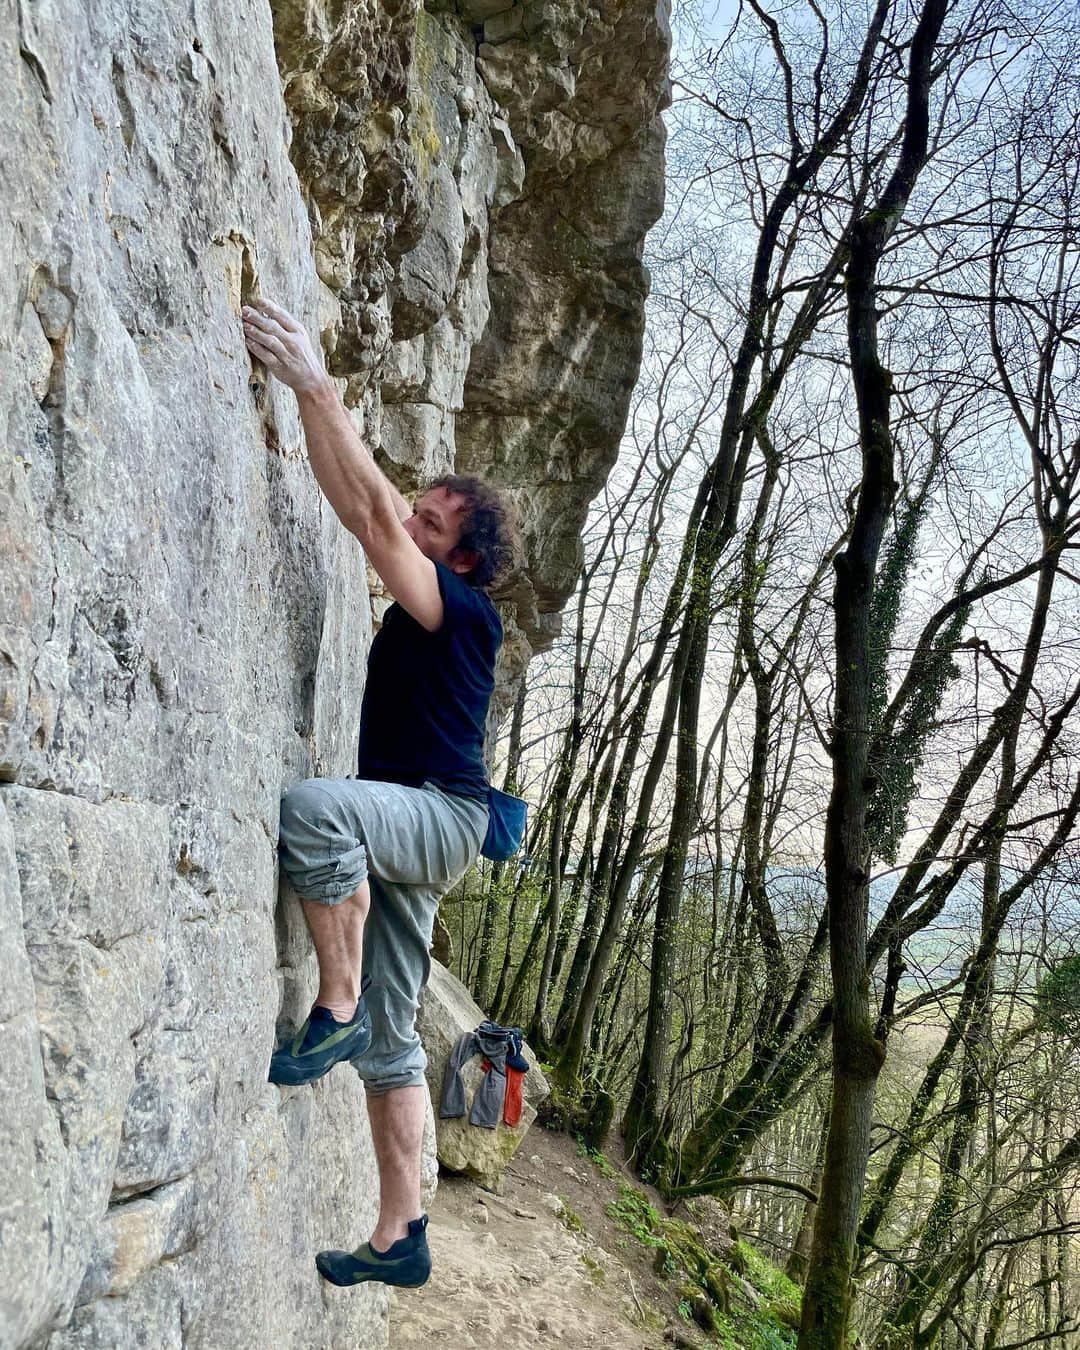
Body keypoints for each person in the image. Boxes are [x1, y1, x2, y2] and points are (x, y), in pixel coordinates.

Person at [242, 298, 519, 1290]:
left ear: (464, 560)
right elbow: (358, 498)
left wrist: (315, 380)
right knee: (397, 1053)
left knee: (317, 811)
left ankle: (339, 999)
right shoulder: (432, 574)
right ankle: (402, 1234)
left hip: (439, 817)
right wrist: (313, 405)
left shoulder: (466, 612)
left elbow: (367, 515)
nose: (411, 520)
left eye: (431, 523)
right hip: (420, 826)